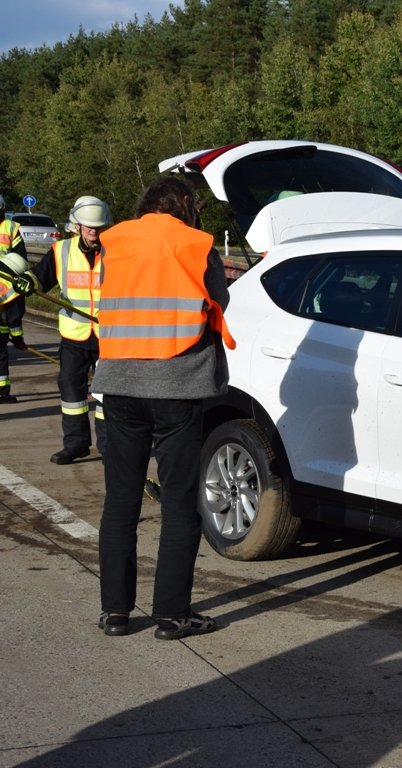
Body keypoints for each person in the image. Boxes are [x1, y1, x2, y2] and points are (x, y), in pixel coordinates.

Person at [90, 177, 234, 639]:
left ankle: (115, 613)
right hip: (178, 386)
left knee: (120, 503)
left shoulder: (115, 242)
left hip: (121, 386)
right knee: (177, 506)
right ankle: (171, 616)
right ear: (186, 204)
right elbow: (219, 299)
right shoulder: (196, 244)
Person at [17, 196, 112, 463]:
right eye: (89, 227)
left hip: (108, 336)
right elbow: (41, 276)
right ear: (77, 226)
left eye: (98, 227)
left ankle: (108, 447)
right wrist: (28, 281)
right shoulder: (61, 251)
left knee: (108, 395)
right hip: (74, 335)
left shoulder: (116, 252)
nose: (94, 232)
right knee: (71, 392)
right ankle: (76, 444)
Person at [0, 196, 29, 403]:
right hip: (6, 286)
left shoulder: (10, 228)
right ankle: (2, 391)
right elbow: (21, 258)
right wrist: (18, 339)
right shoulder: (10, 227)